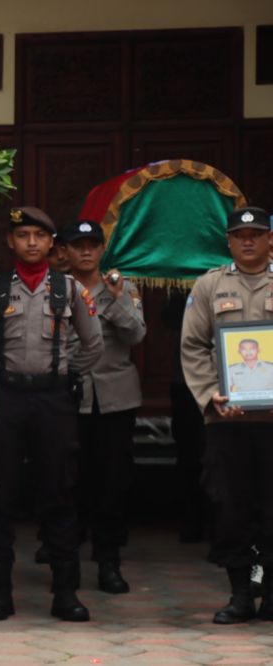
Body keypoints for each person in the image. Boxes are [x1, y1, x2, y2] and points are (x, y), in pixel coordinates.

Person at [0, 206, 103, 622]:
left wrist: (66, 375)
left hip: (54, 401)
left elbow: (93, 344)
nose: (31, 242)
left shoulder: (69, 290)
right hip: (8, 398)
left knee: (60, 492)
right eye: (23, 235)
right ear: (10, 242)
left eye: (39, 236)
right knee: (0, 497)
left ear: (52, 244)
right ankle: (0, 593)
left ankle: (65, 593)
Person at [181, 205, 273, 624]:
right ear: (229, 241)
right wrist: (211, 394)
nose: (248, 241)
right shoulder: (209, 286)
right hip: (227, 420)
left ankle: (271, 596)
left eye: (255, 235)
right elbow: (194, 346)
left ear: (270, 238)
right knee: (230, 507)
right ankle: (239, 595)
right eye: (239, 235)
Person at [60, 219, 146, 594]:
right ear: (65, 250)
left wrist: (110, 298)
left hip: (115, 399)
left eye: (92, 244)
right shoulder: (55, 289)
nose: (85, 251)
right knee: (70, 480)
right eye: (78, 245)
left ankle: (108, 560)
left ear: (101, 249)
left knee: (113, 483)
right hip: (70, 397)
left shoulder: (122, 286)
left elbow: (136, 333)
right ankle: (65, 557)